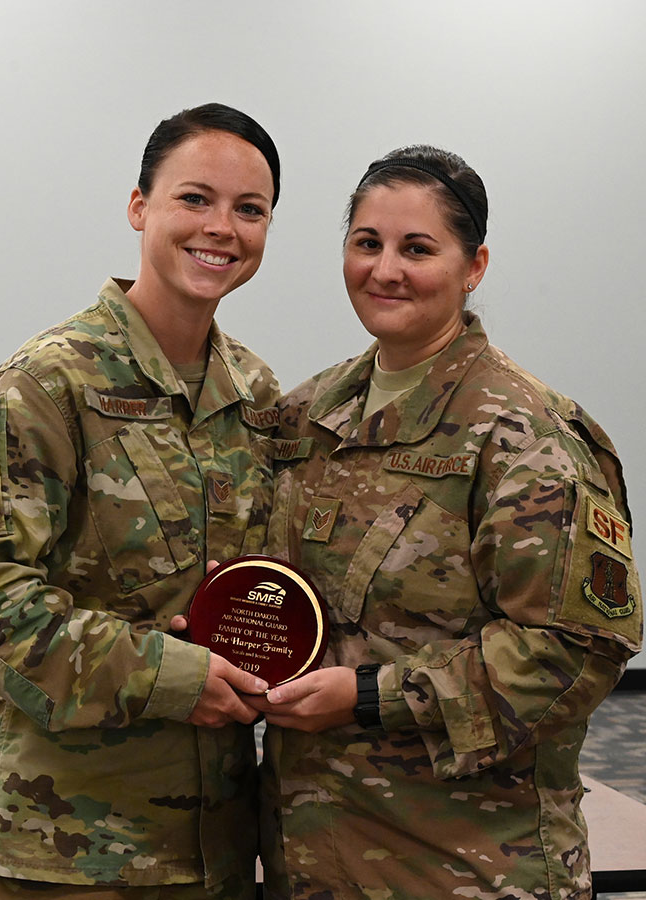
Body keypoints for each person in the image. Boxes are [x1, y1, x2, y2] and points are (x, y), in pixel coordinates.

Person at [246, 145, 642, 900]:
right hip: (311, 854)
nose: (385, 269)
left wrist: (369, 696)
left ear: (474, 265)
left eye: (417, 248)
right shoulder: (305, 415)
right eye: (367, 243)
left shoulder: (526, 435)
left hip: (465, 864)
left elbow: (574, 651)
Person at [0, 102, 282, 900]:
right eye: (195, 198)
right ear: (139, 208)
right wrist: (168, 675)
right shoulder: (49, 383)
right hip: (63, 850)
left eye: (248, 209)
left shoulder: (256, 393)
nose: (221, 227)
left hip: (214, 846)